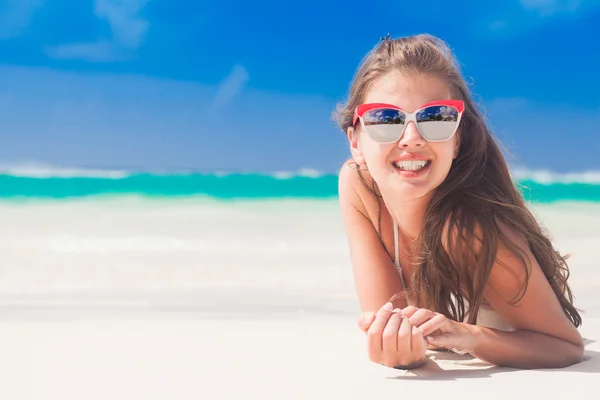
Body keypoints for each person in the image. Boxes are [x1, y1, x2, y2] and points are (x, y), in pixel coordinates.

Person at [333, 33, 584, 370]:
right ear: (356, 141)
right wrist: (400, 349)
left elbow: (564, 344)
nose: (411, 139)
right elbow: (387, 320)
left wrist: (470, 337)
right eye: (384, 119)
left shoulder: (469, 229)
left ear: (457, 140)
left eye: (436, 118)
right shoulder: (358, 185)